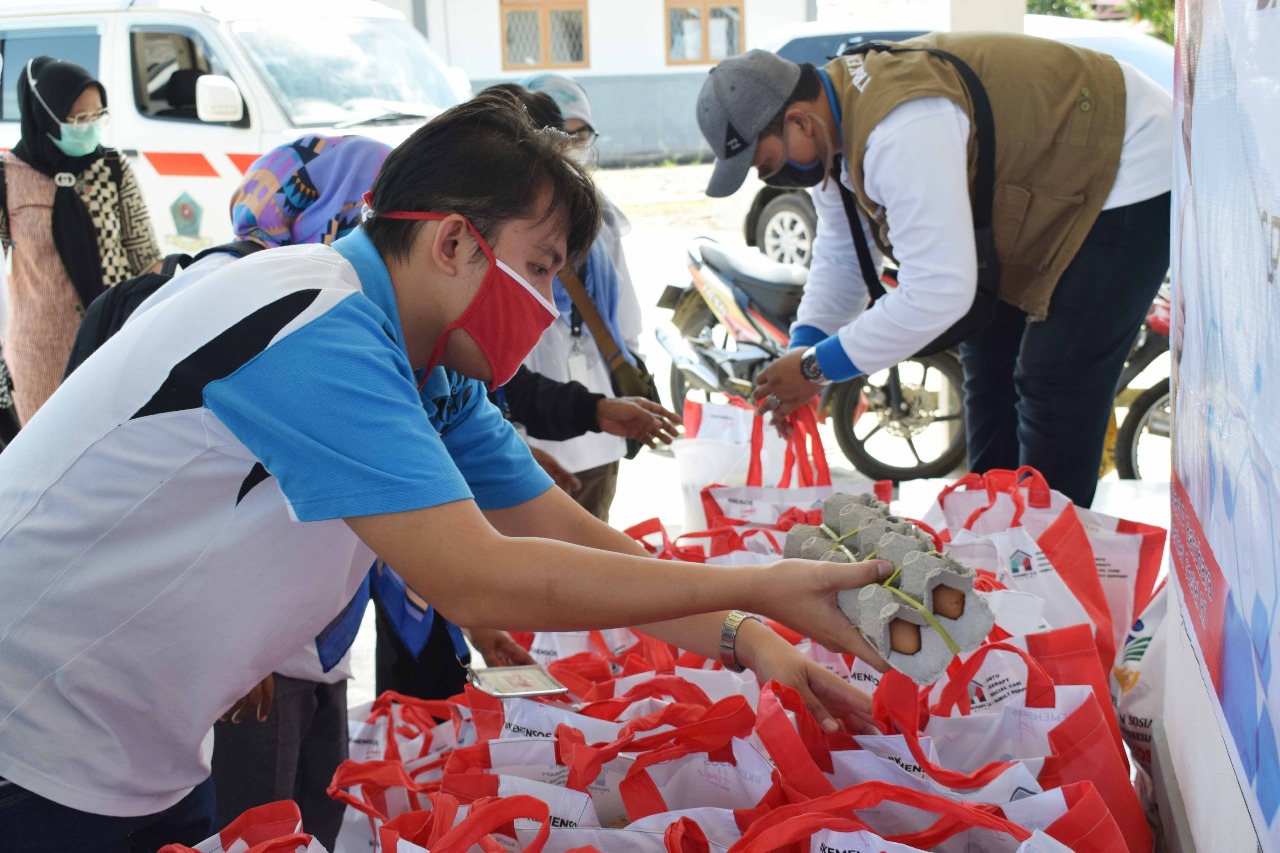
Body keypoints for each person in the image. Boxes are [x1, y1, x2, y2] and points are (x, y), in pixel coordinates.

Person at [0, 91, 889, 851]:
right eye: (540, 269)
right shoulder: (317, 321)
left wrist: (744, 632)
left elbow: (570, 534)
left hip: (130, 740)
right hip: (31, 727)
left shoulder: (432, 371)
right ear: (454, 244)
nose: (546, 307)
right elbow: (482, 579)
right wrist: (766, 587)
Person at [697, 34, 1172, 507]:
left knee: (1054, 379)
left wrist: (814, 369)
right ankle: (991, 531)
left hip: (1125, 161)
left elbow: (940, 291)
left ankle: (1046, 560)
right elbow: (842, 258)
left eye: (768, 164)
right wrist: (802, 351)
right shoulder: (831, 131)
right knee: (988, 362)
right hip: (1048, 187)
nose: (771, 180)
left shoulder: (899, 127)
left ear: (799, 121)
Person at [192, 134, 390, 851]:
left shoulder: (335, 315)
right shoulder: (241, 313)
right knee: (257, 824)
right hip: (259, 656)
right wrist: (237, 646)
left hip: (320, 638)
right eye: (372, 216)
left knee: (320, 811)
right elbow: (207, 503)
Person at [515, 74, 655, 521]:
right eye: (562, 135)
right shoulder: (502, 226)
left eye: (581, 134)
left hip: (597, 426)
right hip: (524, 437)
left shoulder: (601, 217)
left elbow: (626, 320)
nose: (573, 146)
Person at [0, 56, 161, 424]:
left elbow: (147, 257)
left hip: (114, 340)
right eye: (78, 119)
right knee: (42, 457)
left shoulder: (113, 167)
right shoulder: (8, 176)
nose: (89, 128)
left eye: (97, 116)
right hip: (41, 348)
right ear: (46, 115)